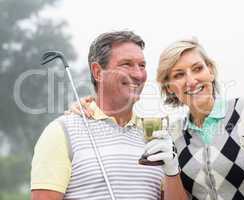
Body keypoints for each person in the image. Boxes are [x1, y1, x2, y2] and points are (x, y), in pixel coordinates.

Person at [73, 37, 244, 199]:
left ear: (210, 71)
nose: (191, 80)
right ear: (170, 88)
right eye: (179, 75)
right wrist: (91, 104)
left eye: (197, 69)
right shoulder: (173, 134)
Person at [31, 31, 184, 200]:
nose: (138, 74)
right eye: (126, 64)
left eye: (142, 65)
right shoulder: (61, 132)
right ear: (97, 72)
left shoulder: (155, 135)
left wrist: (172, 170)